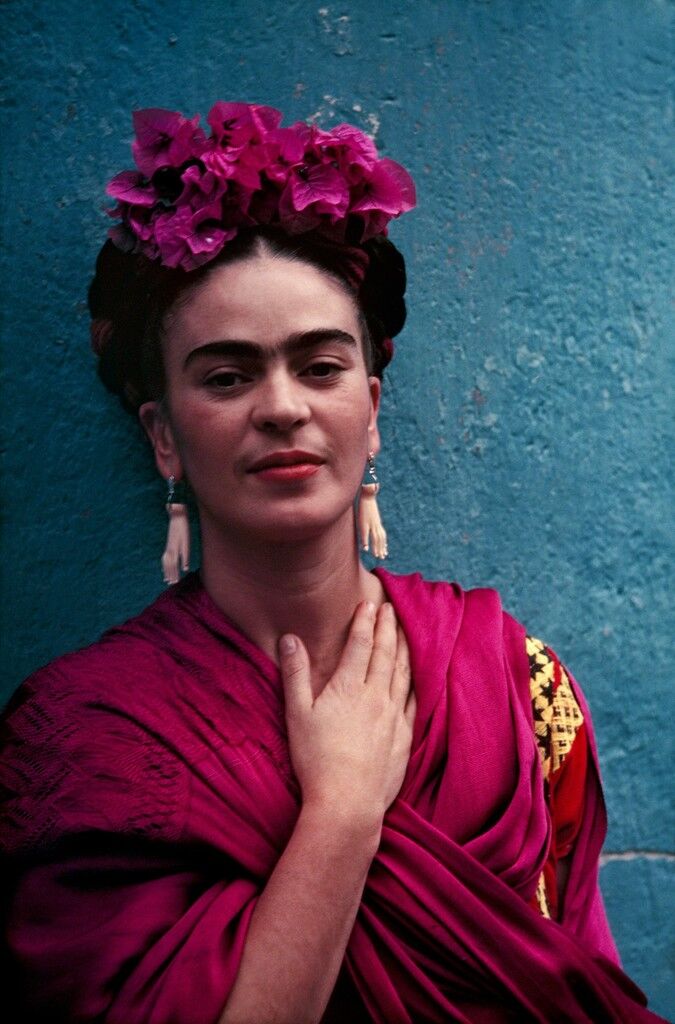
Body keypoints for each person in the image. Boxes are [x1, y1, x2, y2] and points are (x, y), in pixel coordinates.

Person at [0, 102, 667, 1024]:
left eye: (319, 367)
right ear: (163, 436)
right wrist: (342, 813)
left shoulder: (513, 683)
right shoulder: (88, 737)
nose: (282, 407)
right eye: (227, 376)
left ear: (373, 408)